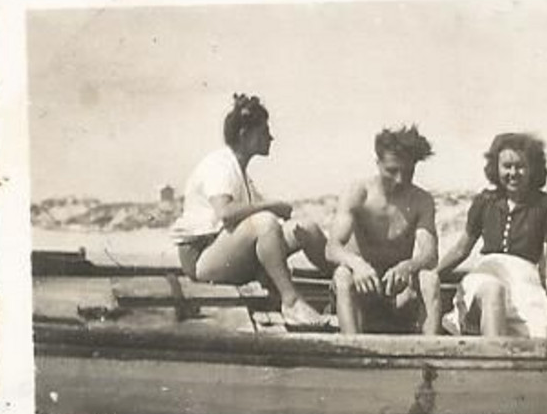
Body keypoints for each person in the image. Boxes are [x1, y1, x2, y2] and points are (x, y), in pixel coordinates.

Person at [169, 94, 332, 326]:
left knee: (306, 227)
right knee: (265, 221)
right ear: (245, 135)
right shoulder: (220, 165)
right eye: (264, 131)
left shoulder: (241, 172)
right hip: (203, 260)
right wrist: (272, 206)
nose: (271, 137)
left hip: (227, 252)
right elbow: (225, 212)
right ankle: (292, 302)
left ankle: (344, 280)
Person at [436, 133, 547, 337]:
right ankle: (493, 363)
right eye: (507, 166)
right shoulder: (485, 201)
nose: (513, 173)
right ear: (496, 168)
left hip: (525, 279)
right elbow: (462, 249)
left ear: (533, 168)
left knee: (542, 331)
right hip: (487, 273)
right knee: (492, 290)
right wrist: (433, 275)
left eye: (520, 166)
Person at [327, 126, 441, 336]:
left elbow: (430, 254)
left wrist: (408, 266)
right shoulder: (358, 192)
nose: (400, 179)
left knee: (430, 279)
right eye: (391, 171)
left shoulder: (421, 200)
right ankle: (352, 351)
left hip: (398, 292)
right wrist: (358, 265)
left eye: (408, 172)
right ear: (378, 164)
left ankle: (430, 356)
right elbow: (332, 248)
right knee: (343, 275)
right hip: (363, 289)